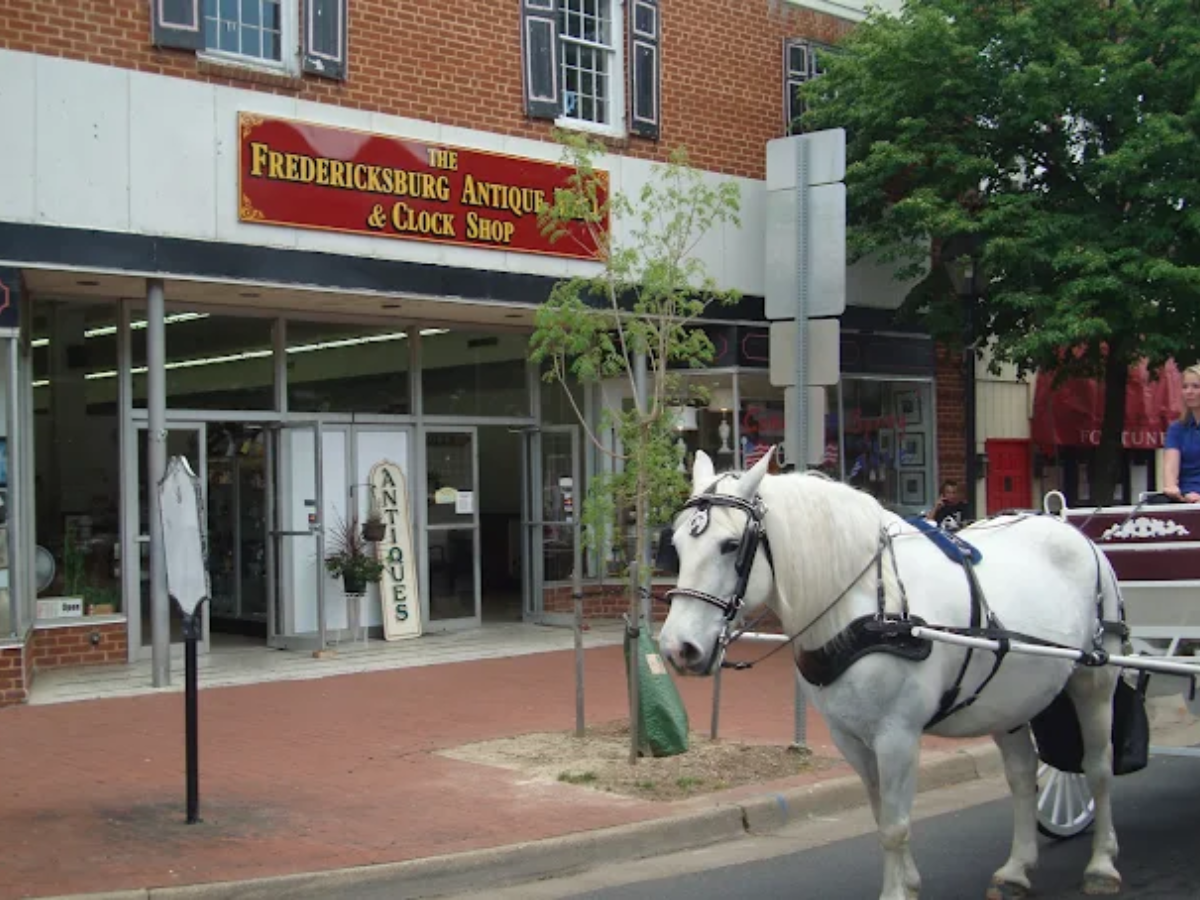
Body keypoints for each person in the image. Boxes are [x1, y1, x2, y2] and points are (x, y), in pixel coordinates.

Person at [1162, 363, 1200, 503]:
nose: (1189, 392)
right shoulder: (1176, 429)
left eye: (1196, 387)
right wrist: (1172, 488)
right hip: (1185, 499)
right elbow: (1170, 470)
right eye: (1185, 387)